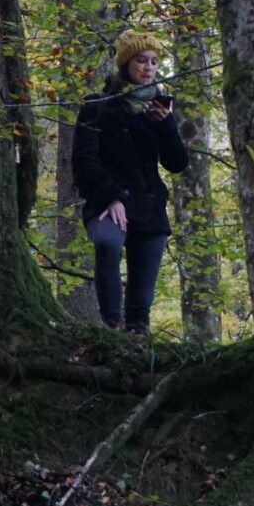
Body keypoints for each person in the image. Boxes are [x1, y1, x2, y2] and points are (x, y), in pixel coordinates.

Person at [71, 28, 189, 334]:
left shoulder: (159, 109)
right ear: (126, 64)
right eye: (141, 60)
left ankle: (138, 344)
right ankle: (110, 327)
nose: (148, 67)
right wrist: (111, 198)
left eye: (153, 61)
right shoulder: (97, 105)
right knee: (108, 244)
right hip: (107, 201)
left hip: (149, 209)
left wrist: (165, 127)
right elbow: (83, 161)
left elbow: (177, 164)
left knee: (141, 302)